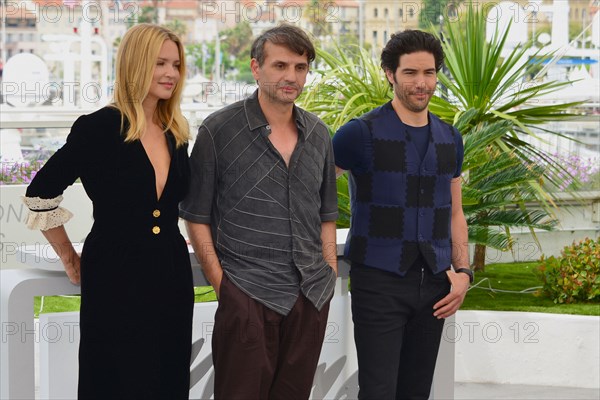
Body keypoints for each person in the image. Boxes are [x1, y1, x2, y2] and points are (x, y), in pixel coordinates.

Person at [23, 24, 193, 399]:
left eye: (176, 65)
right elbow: (40, 195)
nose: (171, 73)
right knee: (116, 380)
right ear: (135, 64)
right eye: (160, 63)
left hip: (171, 274)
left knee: (169, 379)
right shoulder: (99, 128)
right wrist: (69, 258)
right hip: (116, 277)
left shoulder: (175, 131)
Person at [179, 24, 338, 400]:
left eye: (300, 67)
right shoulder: (219, 130)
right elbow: (196, 215)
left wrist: (328, 271)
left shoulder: (319, 133)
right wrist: (225, 287)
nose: (291, 76)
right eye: (280, 65)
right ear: (256, 67)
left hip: (310, 295)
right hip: (247, 295)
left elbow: (327, 213)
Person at [332, 30, 471, 400]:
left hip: (436, 285)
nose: (421, 83)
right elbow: (311, 191)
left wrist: (464, 272)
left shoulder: (450, 137)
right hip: (378, 283)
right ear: (390, 74)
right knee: (377, 392)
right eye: (410, 73)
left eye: (428, 73)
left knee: (416, 393)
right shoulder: (358, 134)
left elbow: (455, 212)